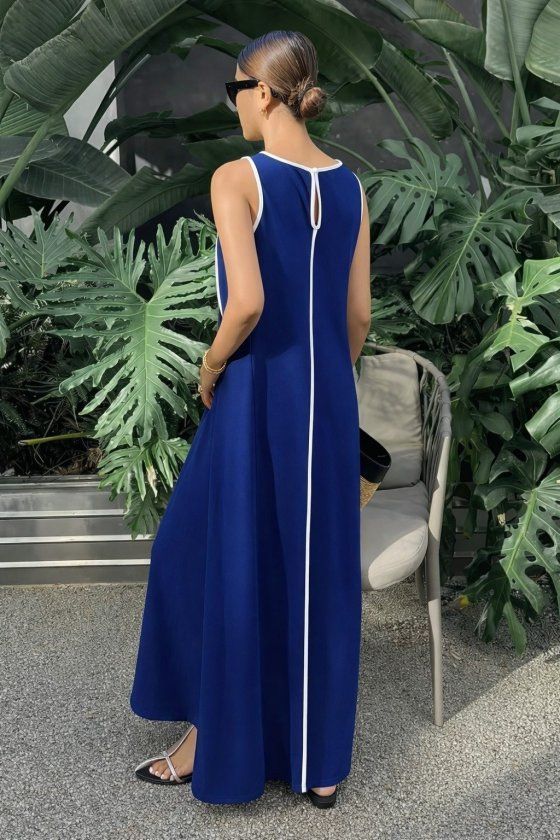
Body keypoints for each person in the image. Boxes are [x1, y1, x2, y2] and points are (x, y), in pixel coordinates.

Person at [130, 29, 371, 809]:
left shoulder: (238, 178)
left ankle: (215, 742)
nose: (233, 104)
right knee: (314, 568)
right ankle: (319, 766)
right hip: (327, 398)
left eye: (235, 90)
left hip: (256, 391)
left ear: (262, 93)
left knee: (206, 554)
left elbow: (248, 303)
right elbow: (358, 317)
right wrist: (327, 382)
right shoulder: (351, 186)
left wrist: (208, 368)